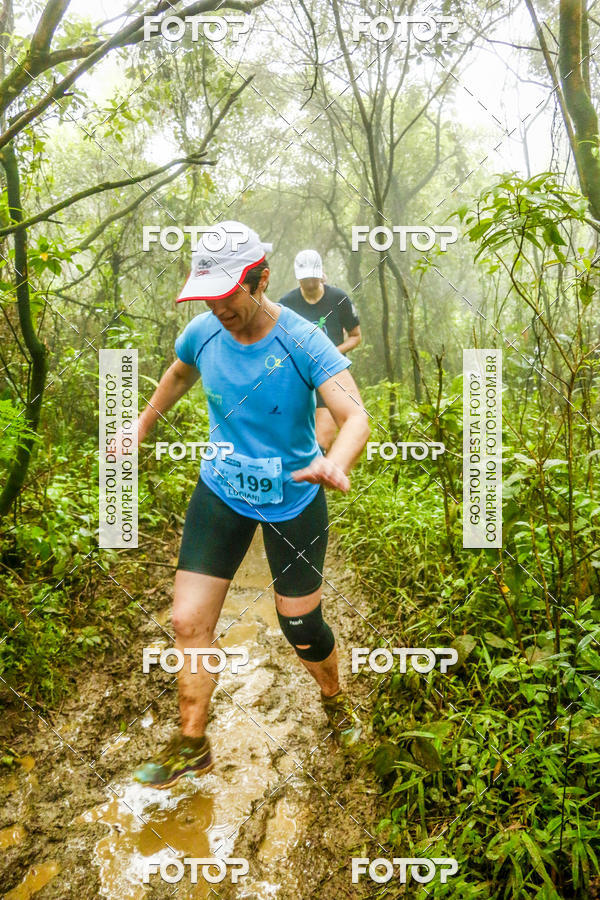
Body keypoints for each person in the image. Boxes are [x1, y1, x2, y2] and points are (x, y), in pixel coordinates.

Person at [132, 222, 370, 788]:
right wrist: (139, 426)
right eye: (207, 296)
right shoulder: (202, 332)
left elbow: (354, 414)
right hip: (221, 490)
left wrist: (336, 460)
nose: (218, 308)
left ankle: (335, 701)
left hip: (295, 498)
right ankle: (193, 743)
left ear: (259, 279)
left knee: (300, 623)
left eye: (227, 295)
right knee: (188, 620)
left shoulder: (303, 339)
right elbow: (179, 373)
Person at [278, 249, 362, 452]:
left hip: (329, 375)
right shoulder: (287, 304)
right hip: (298, 378)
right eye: (305, 279)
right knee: (295, 443)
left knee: (322, 445)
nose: (309, 284)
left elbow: (355, 336)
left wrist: (332, 352)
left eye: (313, 278)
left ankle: (319, 477)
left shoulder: (338, 298)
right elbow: (278, 342)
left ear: (320, 274)